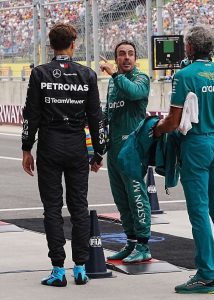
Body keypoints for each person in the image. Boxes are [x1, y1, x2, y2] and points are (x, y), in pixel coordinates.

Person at [21, 23, 105, 287]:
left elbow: (31, 115)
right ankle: (80, 267)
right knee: (79, 207)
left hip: (50, 145)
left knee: (52, 209)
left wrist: (26, 148)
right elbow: (96, 118)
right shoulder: (87, 75)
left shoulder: (40, 73)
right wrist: (99, 152)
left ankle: (58, 270)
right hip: (77, 146)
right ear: (73, 44)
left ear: (50, 45)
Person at [154, 26, 214, 294]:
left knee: (199, 212)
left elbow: (174, 121)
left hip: (196, 144)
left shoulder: (184, 75)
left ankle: (204, 275)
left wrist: (156, 129)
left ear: (189, 47)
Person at [100, 40, 151, 263]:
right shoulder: (113, 83)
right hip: (114, 149)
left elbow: (134, 93)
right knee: (121, 199)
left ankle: (143, 245)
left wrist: (114, 75)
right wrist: (98, 149)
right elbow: (107, 113)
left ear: (136, 58)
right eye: (122, 54)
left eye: (130, 54)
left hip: (133, 149)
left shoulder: (140, 78)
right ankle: (130, 243)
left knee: (136, 196)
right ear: (116, 58)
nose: (127, 57)